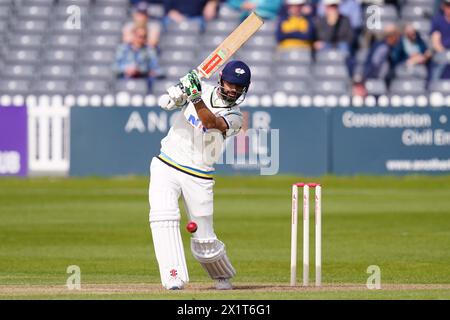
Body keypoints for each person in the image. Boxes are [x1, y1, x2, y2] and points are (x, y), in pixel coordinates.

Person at [148, 61, 251, 290]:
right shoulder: (200, 88)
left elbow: (210, 124)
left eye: (239, 87)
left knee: (204, 240)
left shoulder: (235, 117)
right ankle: (173, 276)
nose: (233, 89)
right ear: (221, 79)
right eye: (230, 83)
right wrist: (177, 93)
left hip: (199, 174)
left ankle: (222, 275)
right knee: (162, 216)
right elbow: (165, 104)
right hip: (167, 162)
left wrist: (194, 96)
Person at [114, 26, 161, 90]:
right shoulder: (123, 49)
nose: (141, 39)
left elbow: (157, 69)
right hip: (125, 79)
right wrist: (126, 69)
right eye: (139, 36)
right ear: (133, 35)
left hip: (143, 79)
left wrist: (140, 70)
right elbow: (114, 67)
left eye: (144, 37)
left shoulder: (149, 50)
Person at [430, 0, 450, 79]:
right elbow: (436, 43)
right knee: (439, 61)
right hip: (442, 52)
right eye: (448, 5)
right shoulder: (438, 21)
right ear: (443, 6)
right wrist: (446, 54)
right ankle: (434, 87)